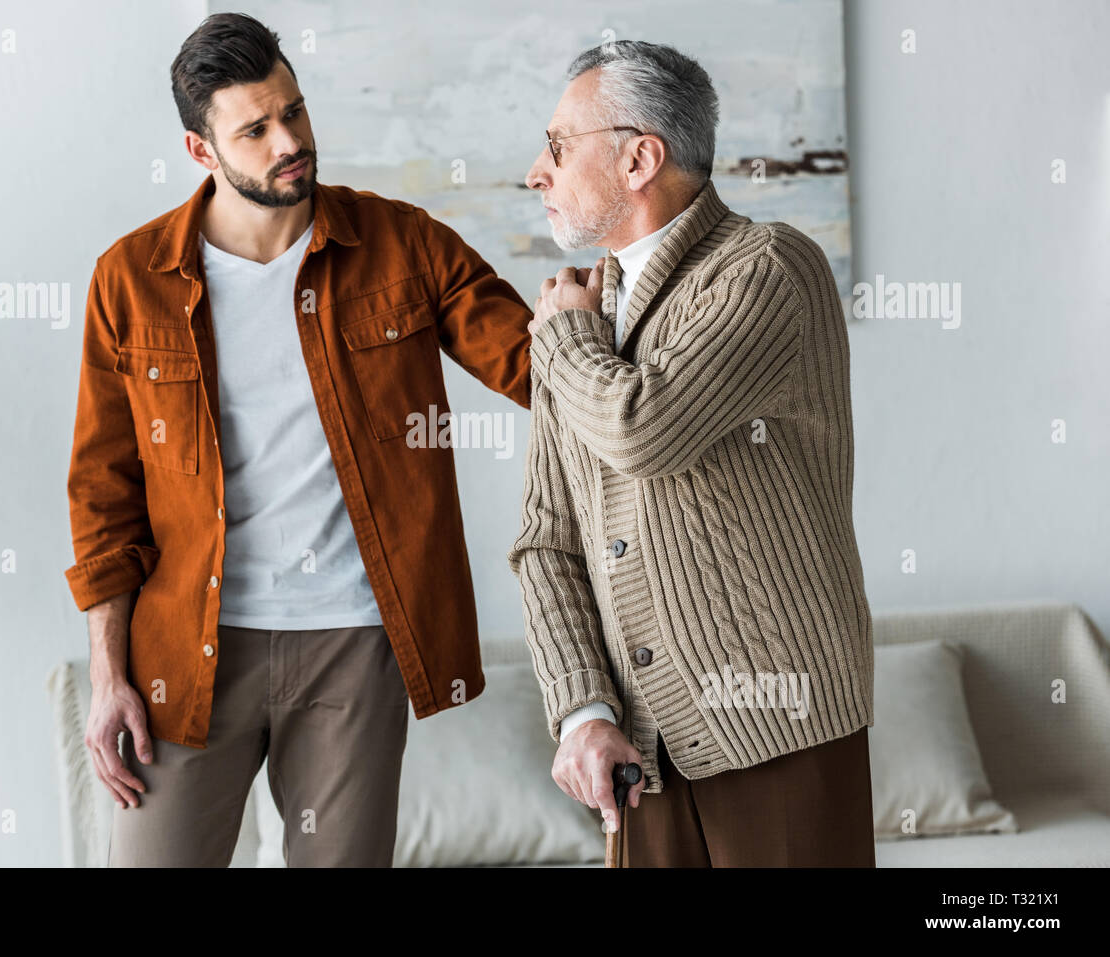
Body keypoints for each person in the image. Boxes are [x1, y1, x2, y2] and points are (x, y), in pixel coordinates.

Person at [64, 12, 531, 867]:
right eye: (256, 128)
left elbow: (536, 367)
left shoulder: (403, 244)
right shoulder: (130, 279)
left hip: (353, 644)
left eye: (296, 111)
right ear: (202, 150)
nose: (290, 140)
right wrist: (107, 674)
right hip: (186, 651)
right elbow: (102, 494)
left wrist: (617, 308)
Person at [508, 40, 877, 866]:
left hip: (782, 734)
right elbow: (547, 541)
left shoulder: (769, 268)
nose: (538, 171)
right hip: (638, 757)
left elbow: (646, 428)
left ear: (640, 157)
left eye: (559, 146)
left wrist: (564, 339)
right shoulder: (579, 317)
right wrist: (582, 712)